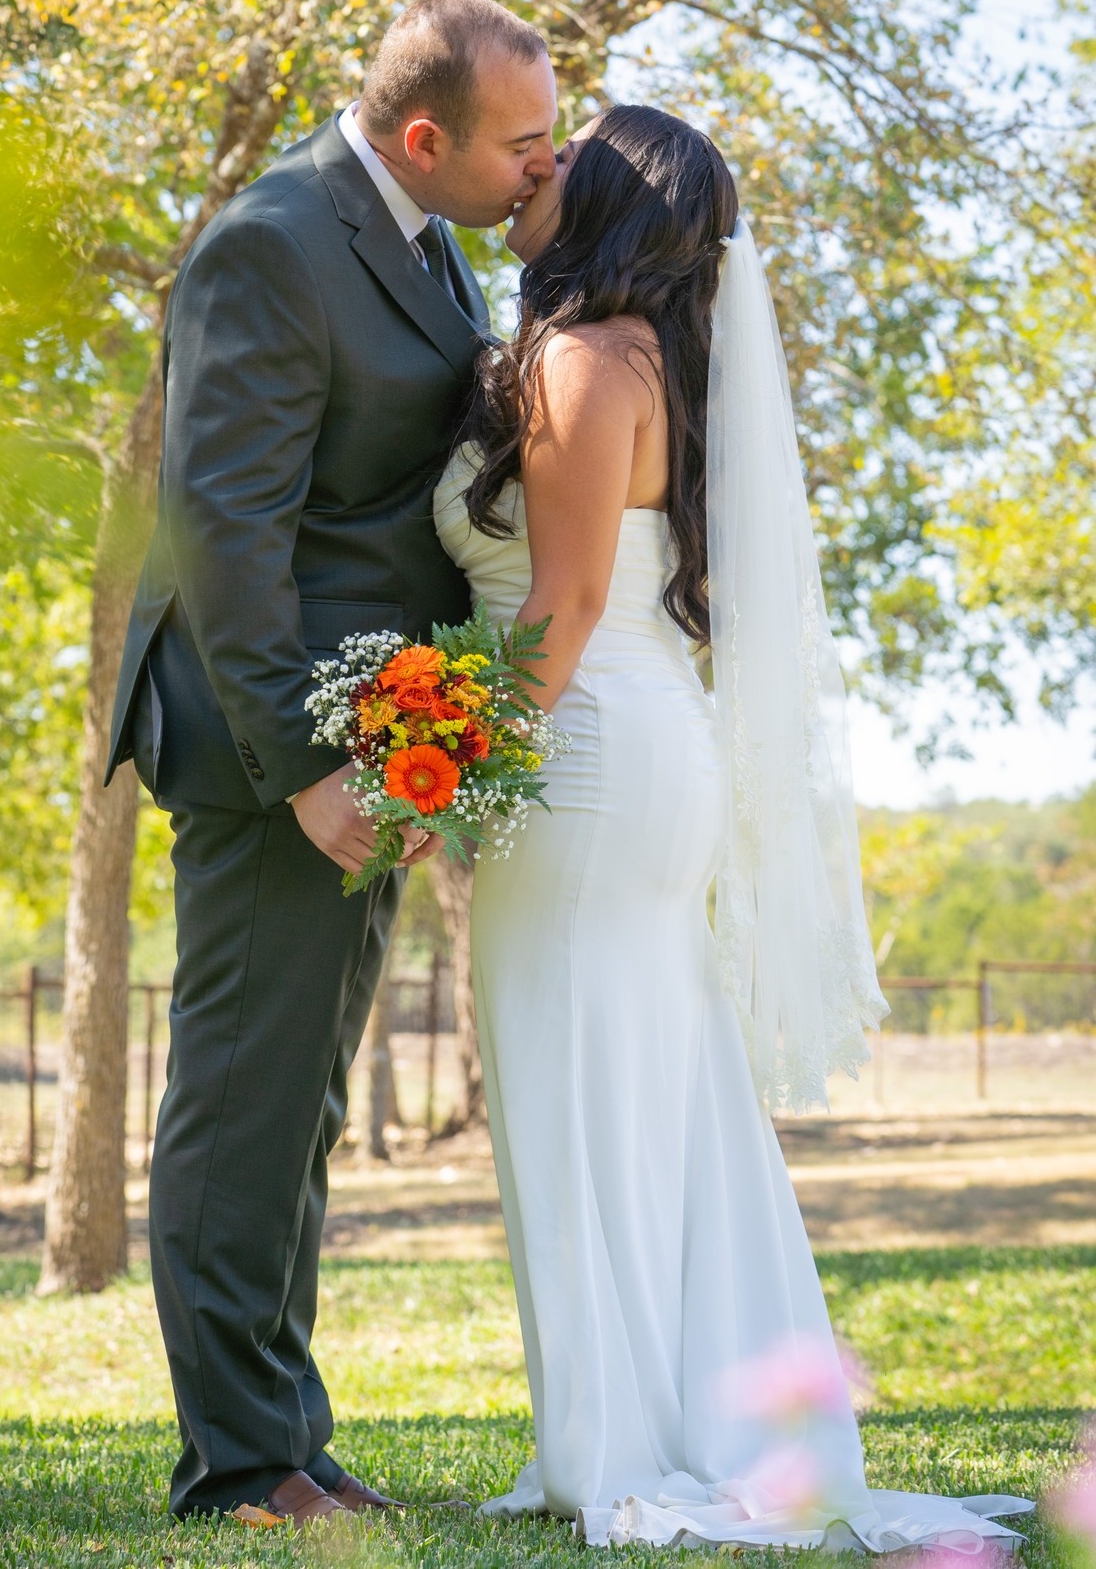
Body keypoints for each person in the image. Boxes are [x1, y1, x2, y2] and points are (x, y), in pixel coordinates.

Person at [433, 104, 1033, 1551]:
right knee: (648, 1093)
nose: (533, 167)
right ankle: (661, 1418)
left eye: (561, 155)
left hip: (580, 759)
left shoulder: (582, 362)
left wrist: (429, 776)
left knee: (579, 1094)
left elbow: (561, 608)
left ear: (608, 204)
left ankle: (618, 1442)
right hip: (633, 753)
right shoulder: (647, 360)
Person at [103, 0, 557, 1529]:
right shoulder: (273, 239)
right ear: (424, 138)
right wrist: (309, 760)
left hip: (378, 744)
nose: (534, 169)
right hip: (264, 747)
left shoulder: (428, 248)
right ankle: (235, 1464)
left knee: (297, 1102)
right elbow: (223, 526)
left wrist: (419, 748)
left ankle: (283, 1429)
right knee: (242, 1096)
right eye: (519, 142)